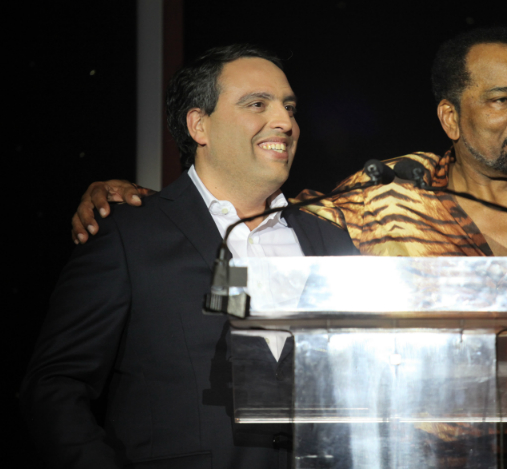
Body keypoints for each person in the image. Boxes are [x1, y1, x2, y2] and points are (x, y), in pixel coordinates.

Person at [72, 27, 507, 468]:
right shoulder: (387, 201)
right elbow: (254, 219)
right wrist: (141, 202)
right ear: (451, 117)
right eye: (502, 98)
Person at [21, 45, 358, 469]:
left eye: (289, 108)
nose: (285, 122)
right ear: (199, 125)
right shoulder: (130, 235)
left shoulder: (332, 243)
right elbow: (55, 385)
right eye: (258, 104)